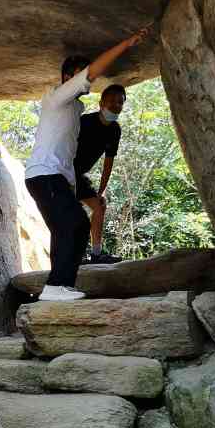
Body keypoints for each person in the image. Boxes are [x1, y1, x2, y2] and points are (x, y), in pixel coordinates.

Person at [24, 28, 148, 301]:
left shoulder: (73, 109)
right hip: (45, 175)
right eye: (80, 75)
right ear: (68, 78)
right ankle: (57, 285)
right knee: (77, 223)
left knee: (63, 230)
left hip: (55, 177)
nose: (87, 81)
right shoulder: (57, 97)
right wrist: (126, 43)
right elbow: (92, 71)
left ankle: (57, 288)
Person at [74, 84, 127, 264]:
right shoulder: (84, 122)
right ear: (101, 103)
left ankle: (96, 255)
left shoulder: (114, 130)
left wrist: (102, 191)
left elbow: (108, 162)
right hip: (64, 171)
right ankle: (74, 256)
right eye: (111, 100)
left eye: (120, 102)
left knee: (99, 206)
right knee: (73, 215)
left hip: (79, 174)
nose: (115, 105)